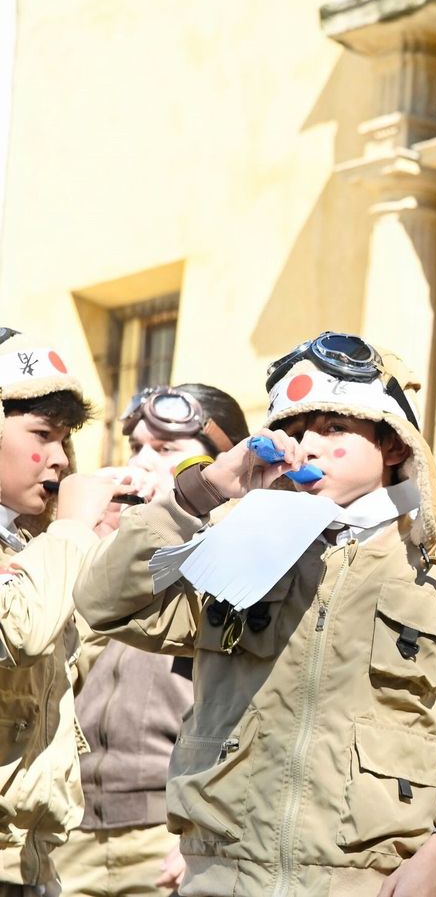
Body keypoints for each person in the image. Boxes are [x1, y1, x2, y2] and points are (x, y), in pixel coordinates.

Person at [75, 332, 436, 896]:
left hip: (372, 884)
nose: (307, 446)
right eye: (293, 431)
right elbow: (103, 602)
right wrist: (203, 491)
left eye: (334, 428)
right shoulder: (235, 542)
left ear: (393, 446)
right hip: (222, 878)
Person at [57, 384, 250, 897]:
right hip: (74, 829)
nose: (141, 462)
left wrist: (205, 825)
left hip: (169, 832)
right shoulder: (117, 547)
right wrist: (99, 544)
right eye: (137, 446)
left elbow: (261, 711)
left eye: (165, 449)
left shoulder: (247, 555)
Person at [0, 328, 126, 894]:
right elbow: (21, 633)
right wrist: (72, 529)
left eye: (66, 438)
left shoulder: (33, 546)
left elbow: (84, 654)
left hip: (29, 863)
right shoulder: (52, 544)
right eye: (42, 434)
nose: (60, 458)